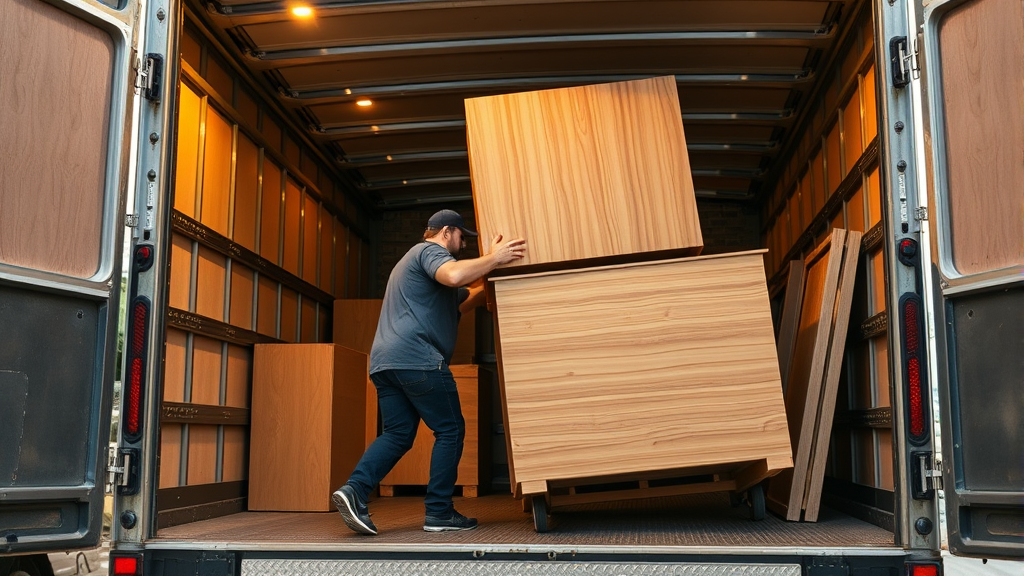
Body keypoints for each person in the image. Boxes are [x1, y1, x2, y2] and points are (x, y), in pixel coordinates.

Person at [333, 209, 526, 535]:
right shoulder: (429, 252)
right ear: (447, 231)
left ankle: (354, 490)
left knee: (397, 434)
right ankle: (439, 512)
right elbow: (454, 276)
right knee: (450, 430)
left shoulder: (425, 276)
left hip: (386, 363)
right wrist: (494, 257)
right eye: (462, 237)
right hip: (416, 358)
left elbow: (466, 297)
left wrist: (496, 266)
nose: (462, 244)